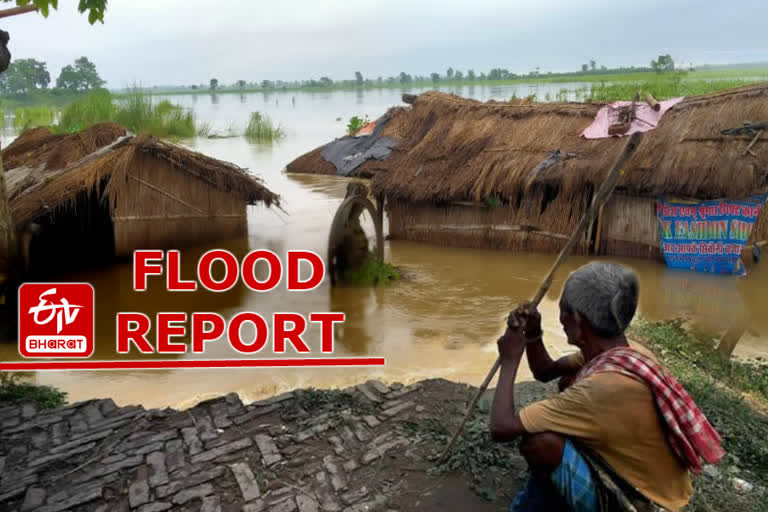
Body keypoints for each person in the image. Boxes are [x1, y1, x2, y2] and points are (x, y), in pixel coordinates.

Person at [490, 262, 724, 512]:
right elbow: (545, 371)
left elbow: (501, 427)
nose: (560, 319)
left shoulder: (601, 389)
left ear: (578, 321)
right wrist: (533, 334)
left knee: (540, 442)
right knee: (568, 381)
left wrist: (509, 359)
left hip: (646, 503)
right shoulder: (623, 352)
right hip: (657, 485)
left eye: (563, 312)